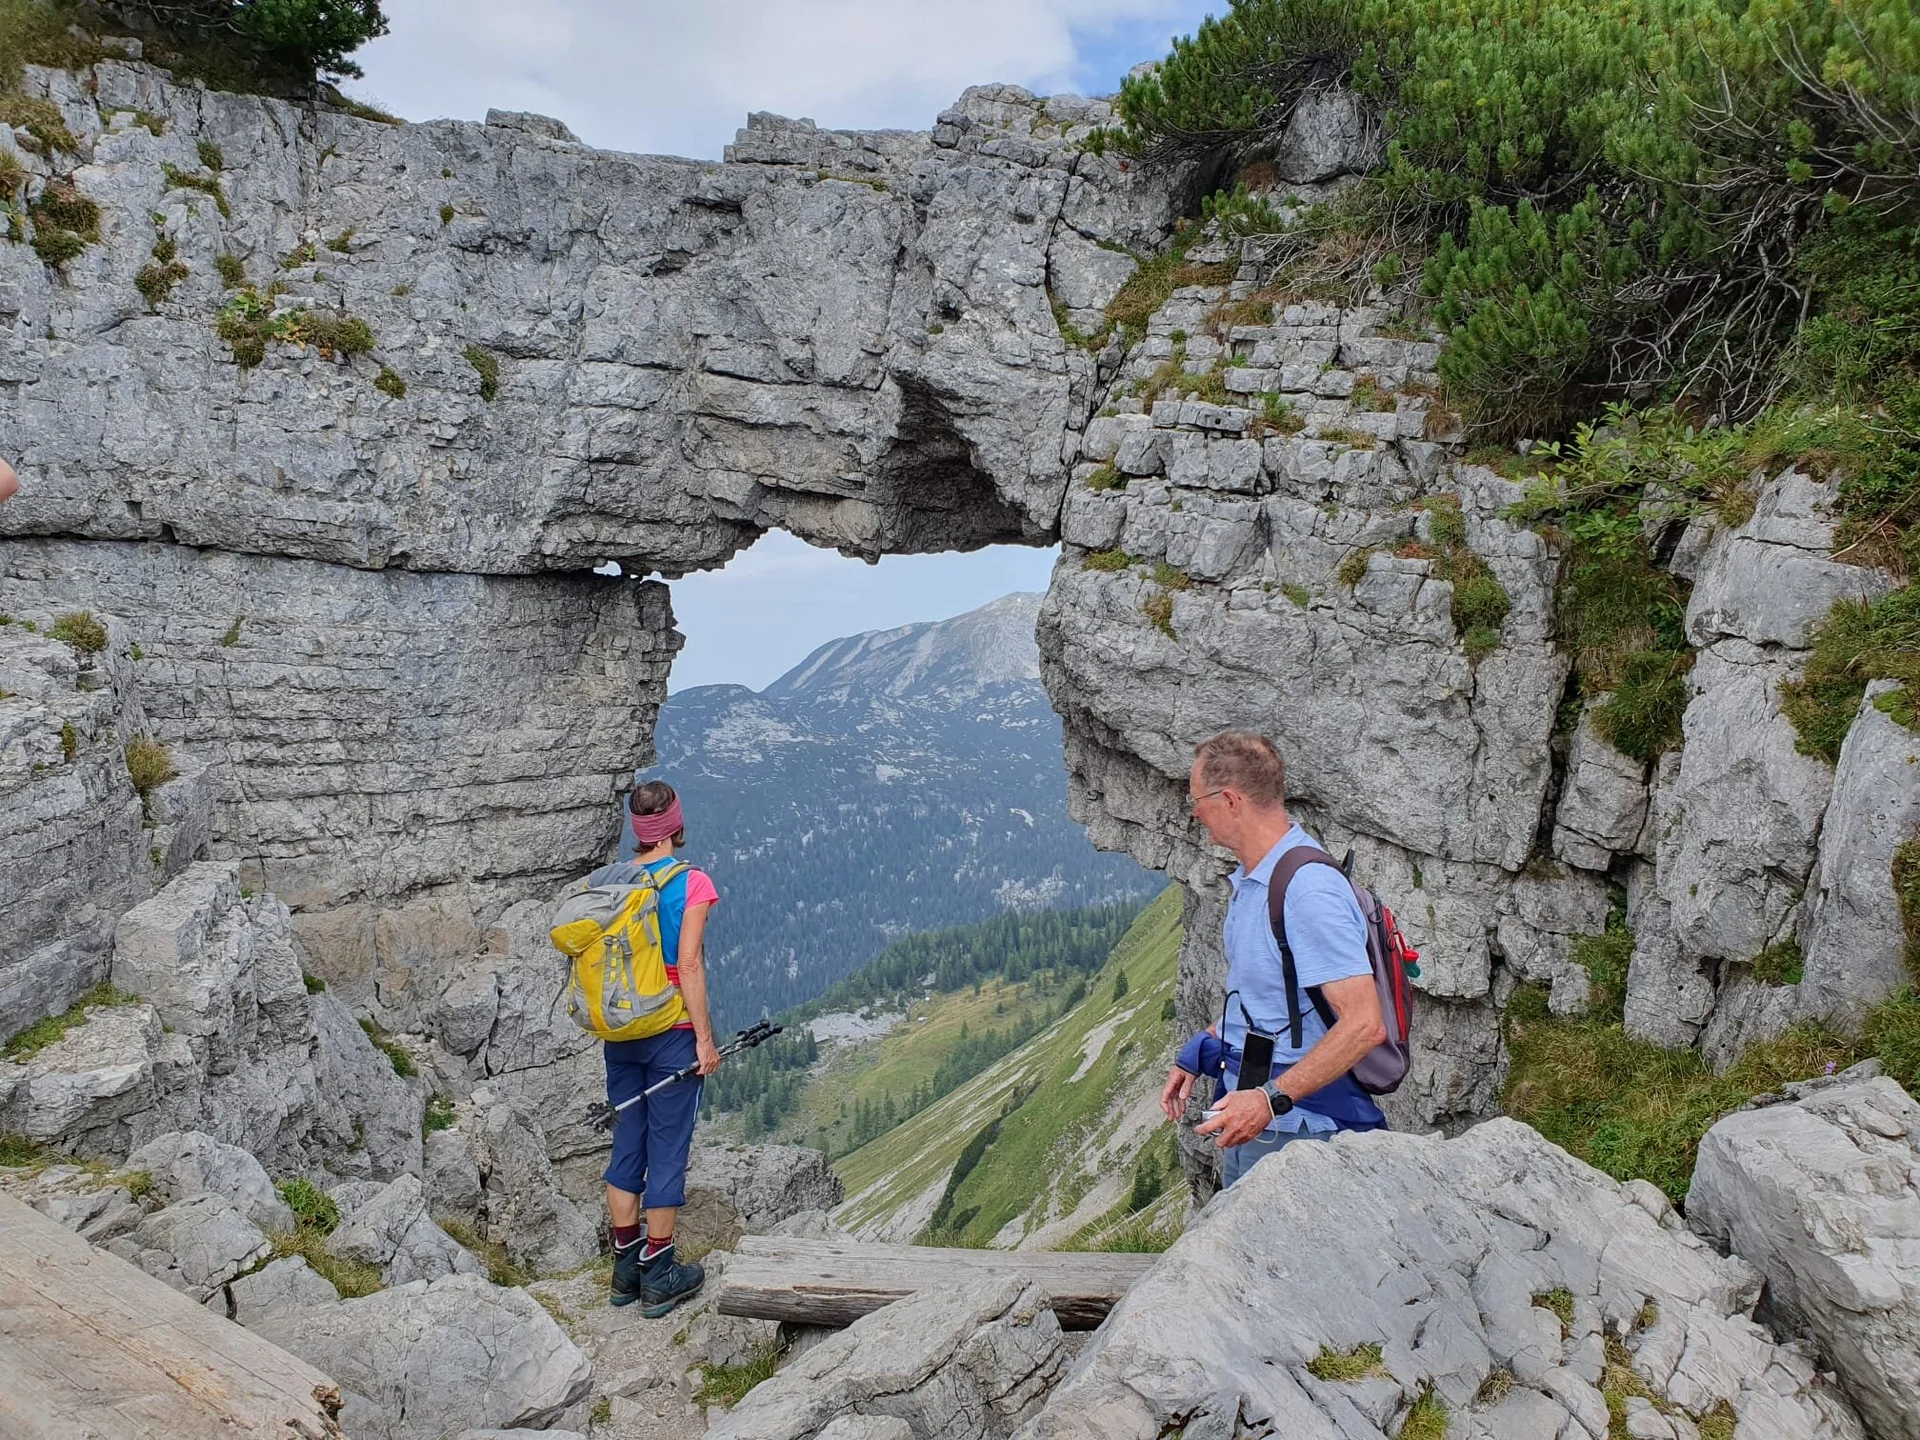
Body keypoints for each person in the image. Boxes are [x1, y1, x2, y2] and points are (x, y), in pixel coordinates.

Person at [1161, 731, 1388, 1188]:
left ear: (1229, 800)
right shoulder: (1254, 880)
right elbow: (1265, 1001)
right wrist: (1203, 1048)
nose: (1194, 812)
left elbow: (1364, 1023)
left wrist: (1270, 1100)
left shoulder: (1308, 890)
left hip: (1302, 1129)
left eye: (1198, 799)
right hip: (1258, 1110)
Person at [586, 779, 723, 1314]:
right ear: (675, 826)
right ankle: (660, 1272)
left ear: (639, 832)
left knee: (627, 1145)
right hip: (672, 1033)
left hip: (621, 1033)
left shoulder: (614, 883)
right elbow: (688, 964)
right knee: (667, 1149)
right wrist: (705, 1041)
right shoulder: (693, 884)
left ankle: (625, 1269)